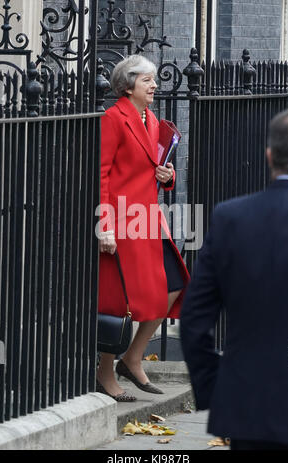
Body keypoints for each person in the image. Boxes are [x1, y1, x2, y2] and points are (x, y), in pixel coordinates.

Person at [180, 108, 288, 450]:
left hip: (250, 404)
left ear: (269, 156)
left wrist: (215, 388)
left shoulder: (231, 217)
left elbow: (193, 320)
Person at [97, 55, 189, 402]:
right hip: (122, 221)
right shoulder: (114, 118)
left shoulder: (151, 119)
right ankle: (106, 371)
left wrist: (168, 177)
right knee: (119, 299)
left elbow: (155, 165)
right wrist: (104, 226)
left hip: (149, 219)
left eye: (153, 80)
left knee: (175, 285)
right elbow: (101, 174)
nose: (154, 86)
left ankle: (132, 358)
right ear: (128, 84)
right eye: (147, 80)